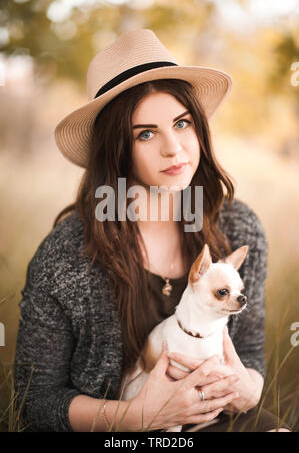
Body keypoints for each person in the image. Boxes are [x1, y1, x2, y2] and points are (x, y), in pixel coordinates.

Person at [14, 29, 291, 432]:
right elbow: (36, 401)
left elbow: (248, 353)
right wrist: (137, 417)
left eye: (182, 123)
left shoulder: (237, 226)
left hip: (219, 418)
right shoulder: (66, 256)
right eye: (146, 133)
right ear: (117, 149)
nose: (174, 148)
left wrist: (249, 388)